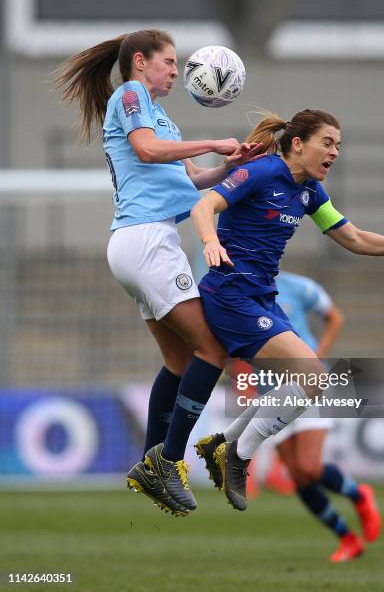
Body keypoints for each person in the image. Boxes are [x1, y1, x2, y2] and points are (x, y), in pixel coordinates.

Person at [191, 108, 384, 515]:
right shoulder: (261, 172)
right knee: (313, 378)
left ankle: (222, 443)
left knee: (305, 380)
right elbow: (204, 207)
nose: (335, 152)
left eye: (339, 146)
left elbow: (352, 238)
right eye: (327, 143)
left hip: (263, 297)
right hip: (230, 293)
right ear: (298, 144)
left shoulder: (310, 192)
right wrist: (211, 241)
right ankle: (238, 457)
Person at [55, 29, 263, 517]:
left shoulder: (158, 113)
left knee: (178, 361)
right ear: (141, 61)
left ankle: (150, 464)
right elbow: (147, 152)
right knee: (211, 349)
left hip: (148, 241)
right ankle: (167, 461)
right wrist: (212, 140)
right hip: (146, 240)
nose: (176, 70)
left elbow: (187, 183)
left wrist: (231, 167)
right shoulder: (130, 95)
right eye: (169, 62)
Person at [270, 271, 379, 562]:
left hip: (308, 384)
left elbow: (334, 317)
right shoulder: (234, 289)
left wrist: (317, 356)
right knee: (297, 475)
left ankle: (359, 496)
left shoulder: (296, 286)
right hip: (269, 390)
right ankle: (348, 539)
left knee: (309, 466)